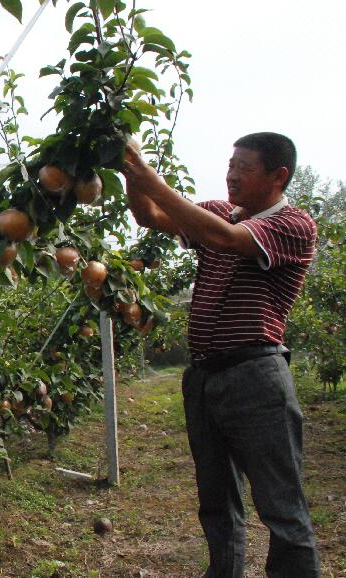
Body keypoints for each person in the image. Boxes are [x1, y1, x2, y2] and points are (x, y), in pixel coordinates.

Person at [121, 132, 320, 577]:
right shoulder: (218, 213)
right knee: (216, 503)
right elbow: (149, 215)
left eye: (244, 168)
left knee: (281, 507)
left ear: (277, 176)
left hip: (256, 375)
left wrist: (146, 173)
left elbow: (227, 239)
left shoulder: (293, 225)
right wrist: (130, 171)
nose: (231, 175)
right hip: (205, 378)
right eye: (230, 165)